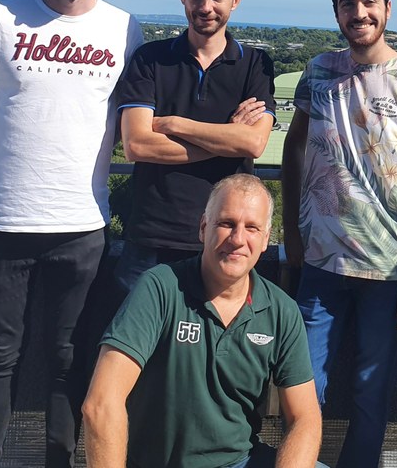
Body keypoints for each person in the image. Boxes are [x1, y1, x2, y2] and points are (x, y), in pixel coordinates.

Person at [0, 0, 143, 468]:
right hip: (4, 222)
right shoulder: (0, 18)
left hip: (82, 227)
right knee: (1, 355)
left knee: (68, 359)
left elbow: (139, 118)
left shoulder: (124, 30)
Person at [280, 0, 397, 467]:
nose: (359, 12)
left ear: (387, 8)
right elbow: (293, 152)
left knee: (370, 396)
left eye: (369, 1)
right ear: (336, 11)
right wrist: (291, 232)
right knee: (301, 387)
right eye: (348, 3)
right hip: (319, 264)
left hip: (388, 270)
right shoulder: (317, 72)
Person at [82, 174, 322, 468]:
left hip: (239, 461)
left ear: (264, 240)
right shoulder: (160, 287)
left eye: (251, 228)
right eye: (226, 223)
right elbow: (101, 403)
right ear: (203, 228)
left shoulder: (282, 310)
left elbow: (305, 419)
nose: (237, 240)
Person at [113, 0, 276, 294]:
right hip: (151, 237)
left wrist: (174, 124)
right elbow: (137, 143)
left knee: (212, 348)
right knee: (134, 346)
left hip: (225, 240)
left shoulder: (255, 66)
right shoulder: (150, 59)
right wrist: (226, 138)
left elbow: (253, 143)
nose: (206, 6)